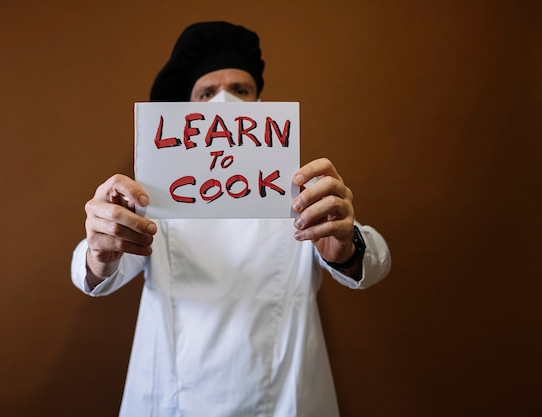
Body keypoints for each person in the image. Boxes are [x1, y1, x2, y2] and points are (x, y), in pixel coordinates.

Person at [71, 21, 391, 417]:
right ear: (186, 112)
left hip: (281, 399)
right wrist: (99, 252)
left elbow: (377, 261)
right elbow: (94, 273)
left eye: (241, 90)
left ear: (260, 105)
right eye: (207, 92)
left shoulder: (298, 190)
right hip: (173, 400)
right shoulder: (155, 195)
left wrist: (347, 248)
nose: (224, 101)